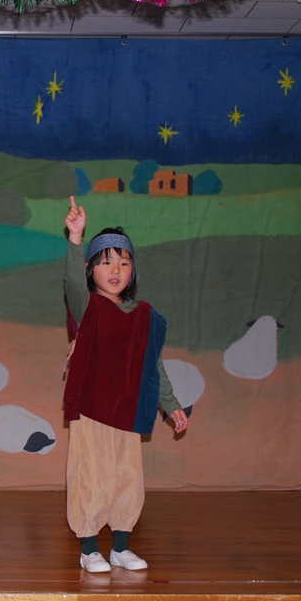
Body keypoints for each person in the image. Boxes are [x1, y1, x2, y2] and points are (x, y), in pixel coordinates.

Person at [62, 196, 189, 573]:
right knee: (90, 475)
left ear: (132, 271)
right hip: (92, 408)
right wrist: (76, 237)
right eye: (105, 262)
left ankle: (120, 546)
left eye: (123, 262)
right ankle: (89, 549)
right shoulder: (88, 307)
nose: (115, 269)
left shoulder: (144, 315)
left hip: (129, 409)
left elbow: (154, 365)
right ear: (90, 270)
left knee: (127, 478)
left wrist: (171, 404)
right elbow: (71, 283)